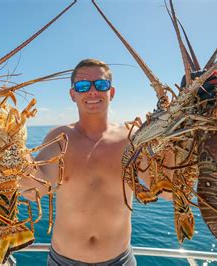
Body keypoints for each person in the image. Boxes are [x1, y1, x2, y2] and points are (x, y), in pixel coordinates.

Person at [20, 58, 172, 266]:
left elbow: (167, 191)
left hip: (119, 260)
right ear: (73, 94)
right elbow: (33, 191)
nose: (92, 91)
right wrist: (10, 141)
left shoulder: (132, 138)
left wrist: (176, 136)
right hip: (64, 261)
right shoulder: (60, 138)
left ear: (111, 92)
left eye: (101, 85)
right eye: (83, 86)